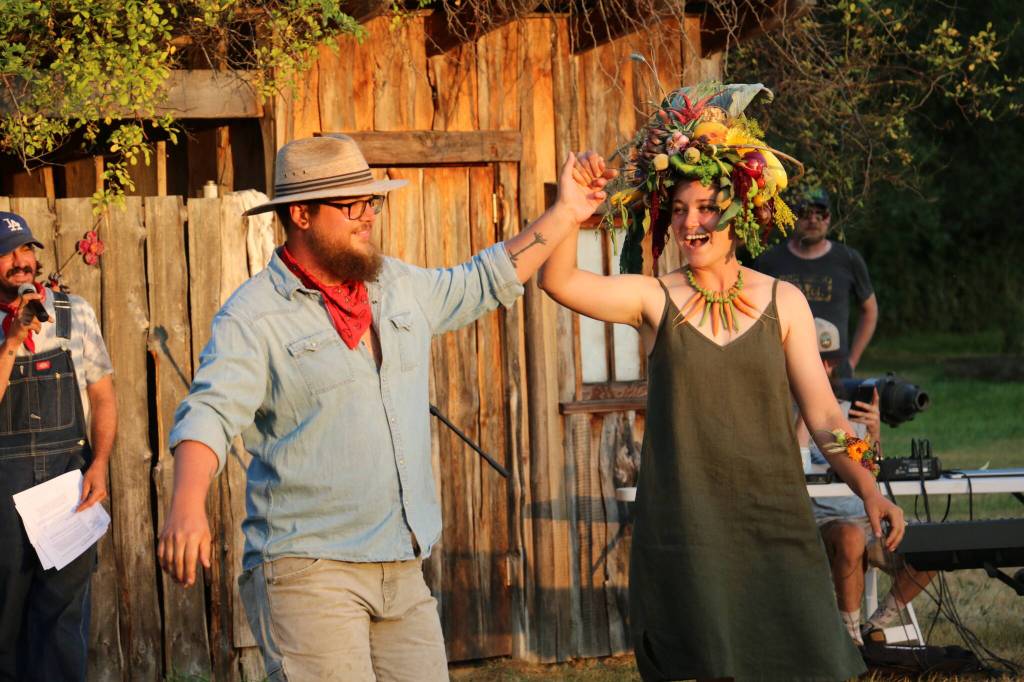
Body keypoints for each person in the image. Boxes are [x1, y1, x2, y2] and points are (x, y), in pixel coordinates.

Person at [156, 134, 613, 681]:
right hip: (309, 569)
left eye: (371, 201)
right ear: (300, 213)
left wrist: (566, 211)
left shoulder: (394, 286)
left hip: (402, 564)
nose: (368, 216)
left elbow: (485, 280)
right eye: (352, 205)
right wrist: (187, 504)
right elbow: (208, 412)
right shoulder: (254, 316)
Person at [538, 83, 905, 681]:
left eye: (707, 208)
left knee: (800, 663)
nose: (691, 223)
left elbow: (828, 419)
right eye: (679, 210)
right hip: (686, 531)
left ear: (738, 213)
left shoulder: (783, 301)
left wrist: (869, 487)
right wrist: (566, 208)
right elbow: (558, 281)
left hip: (774, 522)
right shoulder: (653, 298)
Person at [0, 212, 117, 681]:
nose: (20, 261)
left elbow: (104, 395)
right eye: (7, 253)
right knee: (4, 622)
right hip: (4, 496)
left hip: (67, 487)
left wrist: (101, 463)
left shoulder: (74, 313)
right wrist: (10, 343)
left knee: (63, 625)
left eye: (26, 249)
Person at [804, 319, 935, 647]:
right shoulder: (786, 408)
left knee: (931, 545)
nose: (823, 367)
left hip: (864, 515)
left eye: (829, 360)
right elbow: (796, 460)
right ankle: (850, 643)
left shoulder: (848, 410)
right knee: (849, 538)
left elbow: (867, 466)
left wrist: (874, 434)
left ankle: (872, 627)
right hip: (819, 520)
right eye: (814, 358)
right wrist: (802, 411)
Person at [753, 187, 878, 377]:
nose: (813, 220)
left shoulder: (848, 259)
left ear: (829, 217)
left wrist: (852, 361)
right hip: (782, 371)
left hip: (835, 374)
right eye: (804, 213)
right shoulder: (769, 261)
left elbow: (870, 310)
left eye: (821, 213)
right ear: (792, 216)